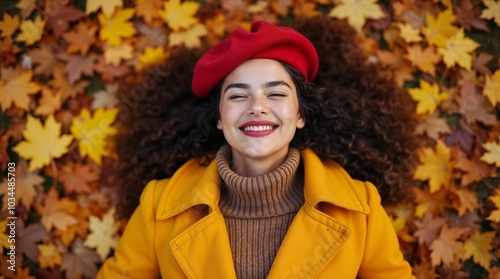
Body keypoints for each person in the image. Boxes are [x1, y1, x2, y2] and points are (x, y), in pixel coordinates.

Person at [97, 18, 416, 278]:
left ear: (301, 114)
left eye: (276, 94)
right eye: (237, 96)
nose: (257, 107)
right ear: (219, 118)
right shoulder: (158, 206)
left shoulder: (362, 208)